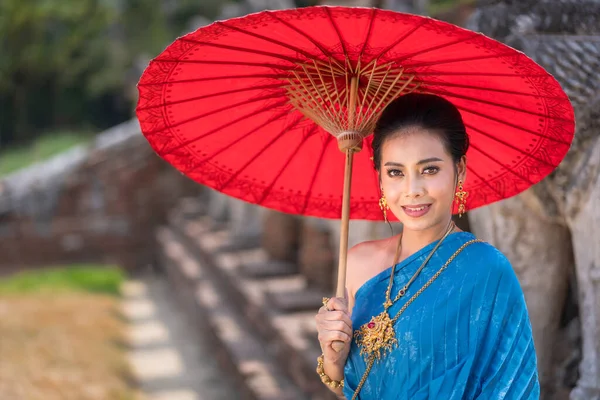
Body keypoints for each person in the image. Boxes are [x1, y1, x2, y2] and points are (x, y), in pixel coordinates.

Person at [314, 93, 540, 399]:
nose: (412, 190)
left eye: (429, 170)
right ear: (380, 178)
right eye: (396, 172)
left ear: (459, 170)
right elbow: (350, 387)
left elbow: (513, 389)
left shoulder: (487, 270)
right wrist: (333, 358)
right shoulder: (357, 263)